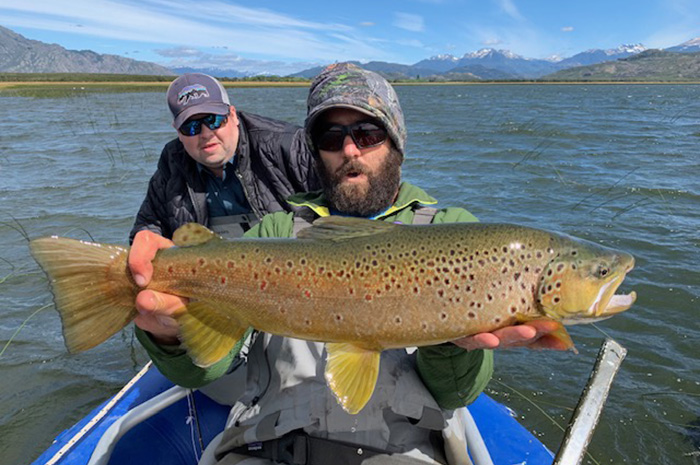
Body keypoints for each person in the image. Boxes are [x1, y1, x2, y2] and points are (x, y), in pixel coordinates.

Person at [130, 63, 565, 464]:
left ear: (396, 139)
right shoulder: (276, 233)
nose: (350, 150)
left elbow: (455, 392)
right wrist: (167, 337)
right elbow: (208, 366)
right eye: (331, 139)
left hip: (400, 453)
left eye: (367, 133)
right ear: (316, 152)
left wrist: (451, 340)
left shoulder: (454, 232)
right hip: (265, 449)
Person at [129, 72, 319, 342]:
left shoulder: (287, 145)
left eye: (213, 120)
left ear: (233, 114)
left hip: (289, 292)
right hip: (213, 292)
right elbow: (148, 226)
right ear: (177, 132)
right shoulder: (172, 162)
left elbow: (335, 214)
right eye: (191, 127)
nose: (206, 134)